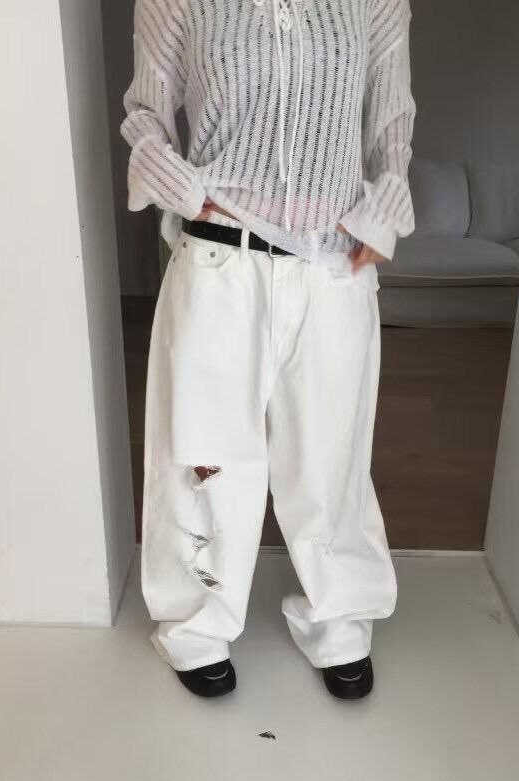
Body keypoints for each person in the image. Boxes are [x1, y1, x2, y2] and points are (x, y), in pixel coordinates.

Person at [121, 0, 416, 699]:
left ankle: (340, 619)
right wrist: (185, 189)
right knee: (206, 454)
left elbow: (392, 116)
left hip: (333, 266)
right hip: (221, 261)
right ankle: (197, 625)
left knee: (330, 456)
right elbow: (145, 113)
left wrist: (384, 208)